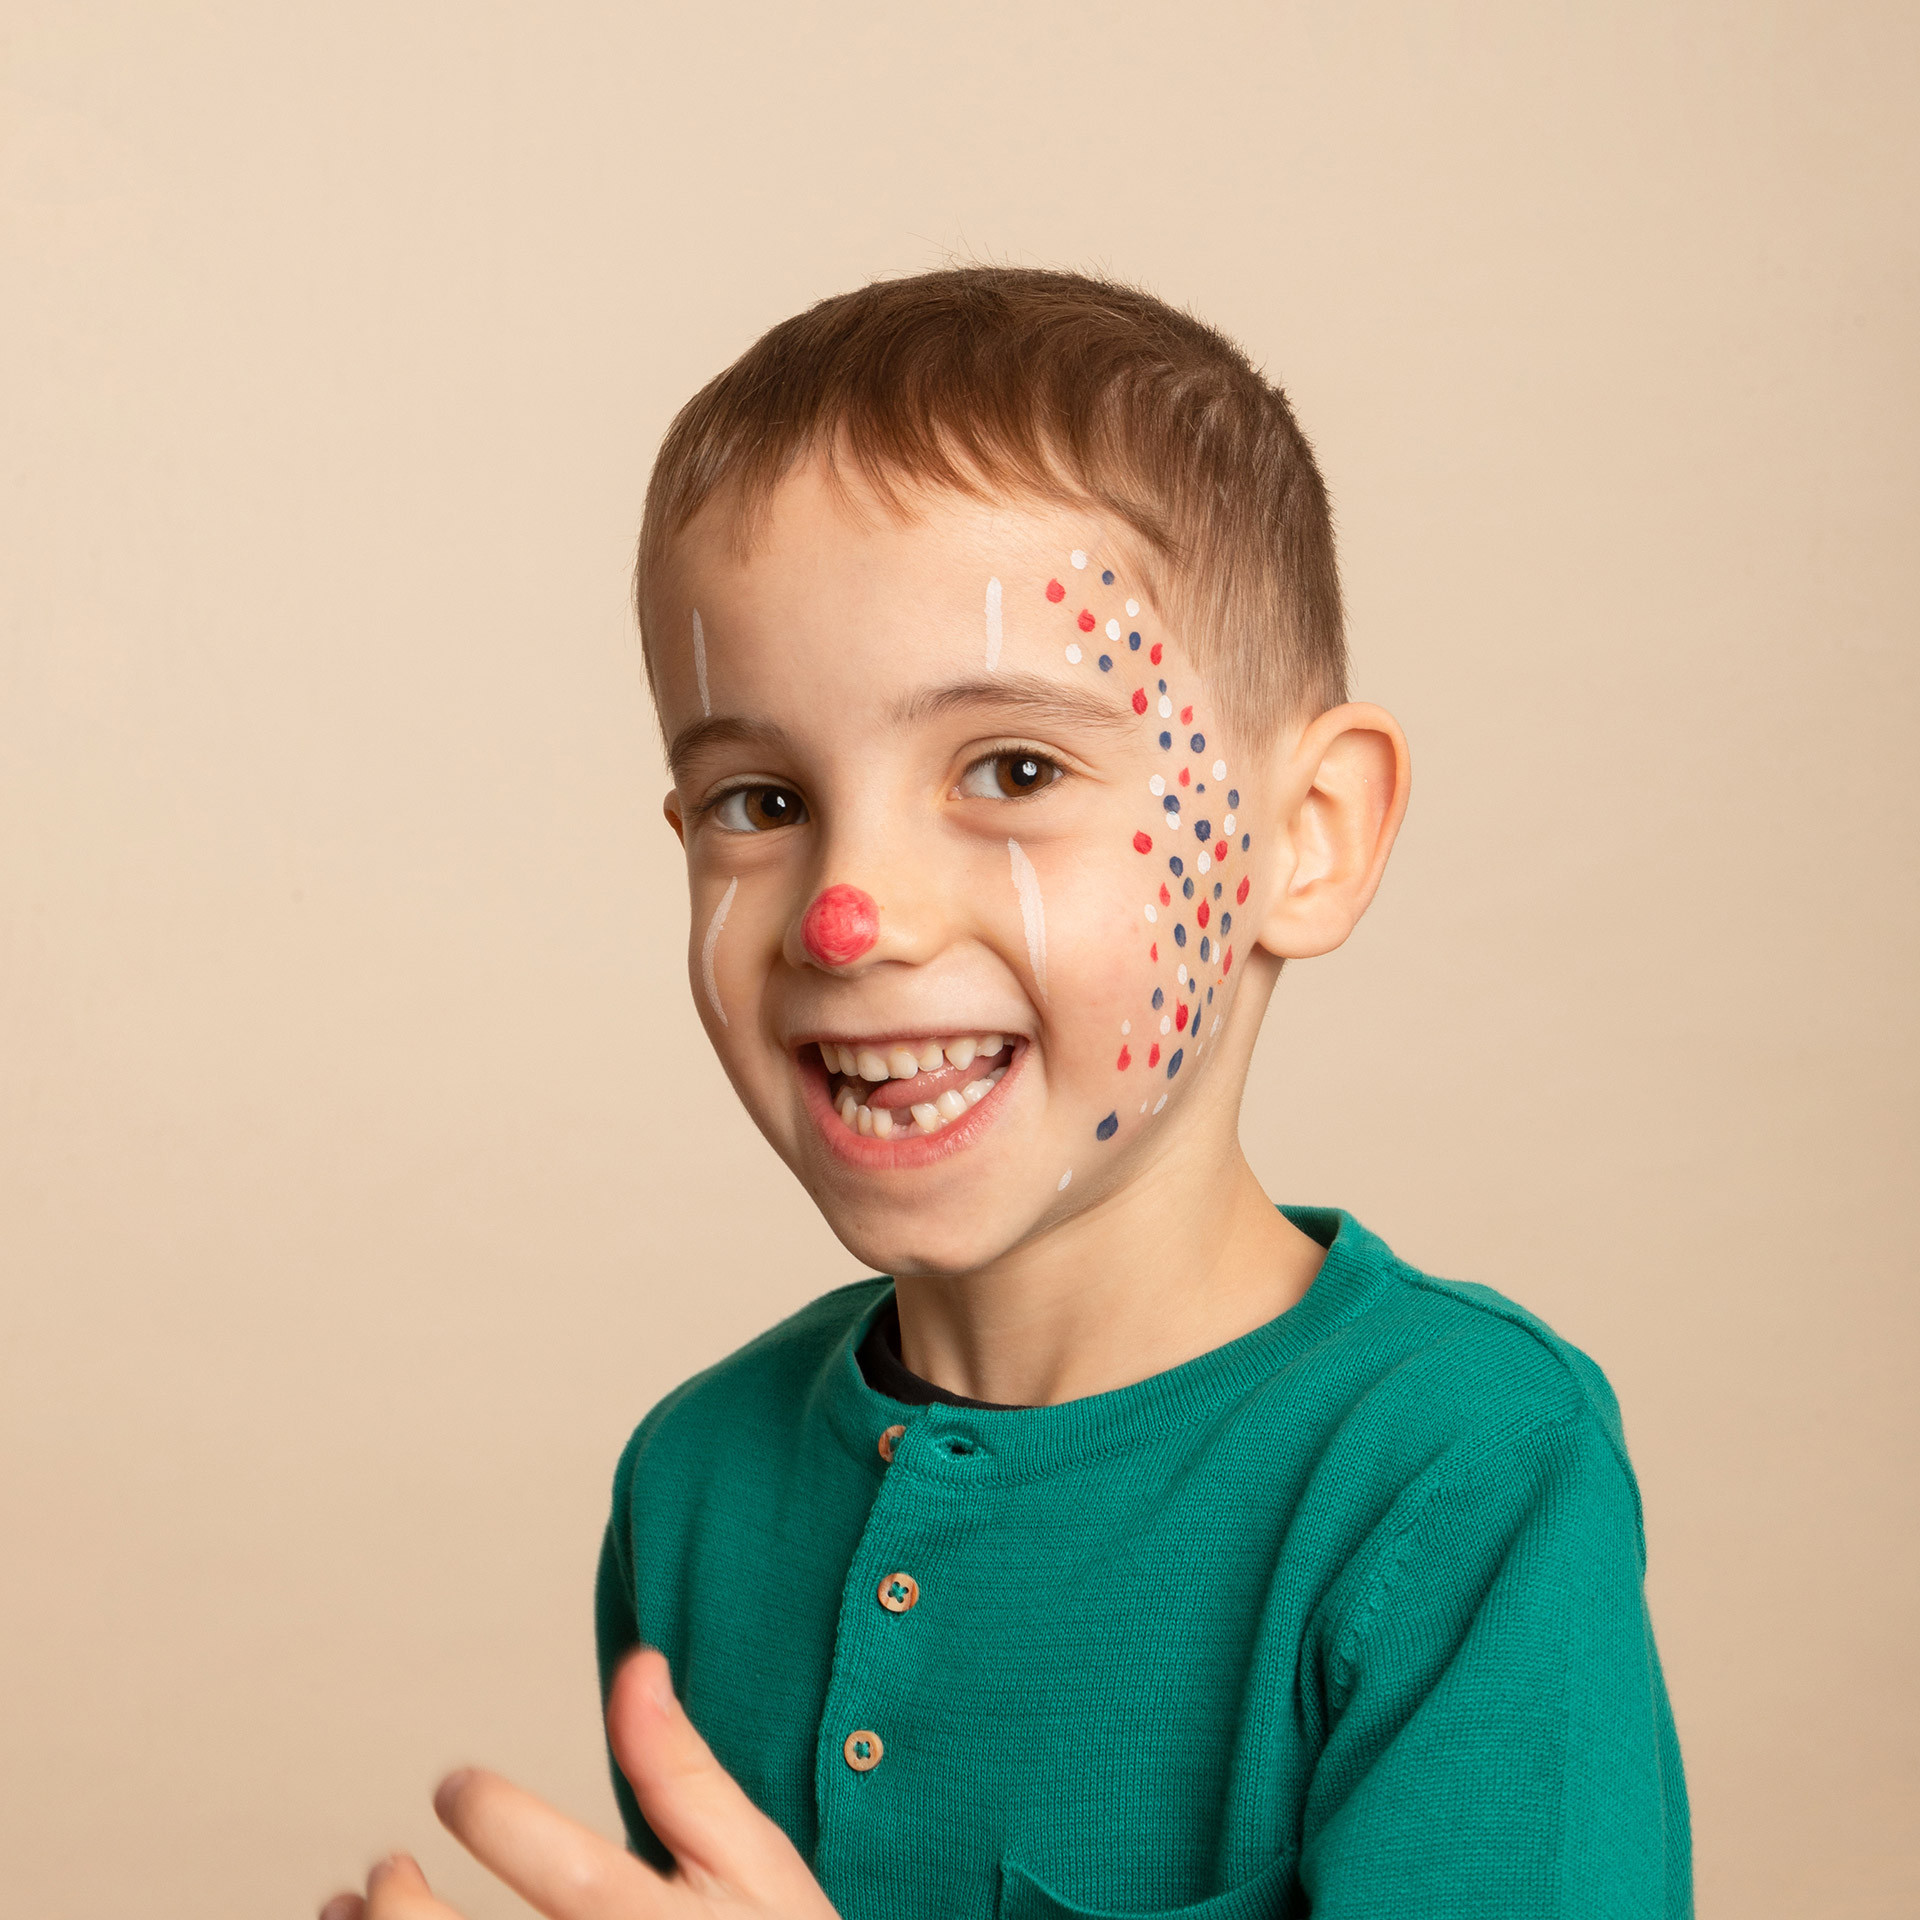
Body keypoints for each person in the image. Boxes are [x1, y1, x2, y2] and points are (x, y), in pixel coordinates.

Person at [323, 268, 1690, 1920]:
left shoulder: (1458, 1474)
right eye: (759, 798)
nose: (851, 911)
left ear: (1305, 837)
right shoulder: (693, 1485)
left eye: (1013, 771)